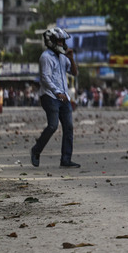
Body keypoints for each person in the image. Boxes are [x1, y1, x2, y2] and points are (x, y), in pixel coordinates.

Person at [30, 27, 80, 168]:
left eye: (63, 41)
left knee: (69, 127)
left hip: (63, 97)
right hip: (50, 96)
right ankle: (36, 150)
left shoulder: (64, 57)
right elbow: (45, 78)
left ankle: (66, 159)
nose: (62, 43)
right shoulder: (45, 57)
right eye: (59, 41)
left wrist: (71, 58)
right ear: (51, 41)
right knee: (53, 126)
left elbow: (74, 73)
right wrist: (57, 92)